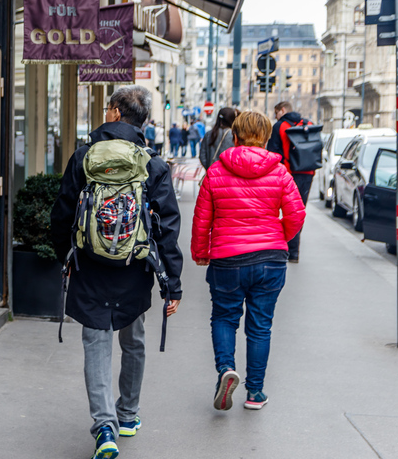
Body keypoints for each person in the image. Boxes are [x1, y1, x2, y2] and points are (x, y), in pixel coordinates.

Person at [50, 85, 183, 459]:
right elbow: (167, 230)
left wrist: (69, 257)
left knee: (96, 344)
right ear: (144, 121)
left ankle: (104, 427)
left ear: (112, 112)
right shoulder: (153, 165)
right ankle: (127, 415)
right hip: (134, 269)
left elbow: (60, 216)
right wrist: (172, 285)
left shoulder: (84, 157)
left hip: (90, 268)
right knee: (133, 339)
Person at [191, 111, 305, 412]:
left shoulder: (216, 171)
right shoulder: (280, 172)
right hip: (270, 259)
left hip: (227, 259)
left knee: (225, 317)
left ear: (236, 136)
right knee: (260, 327)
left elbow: (202, 219)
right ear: (267, 137)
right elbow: (296, 214)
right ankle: (255, 393)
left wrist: (201, 251)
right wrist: (279, 236)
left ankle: (226, 369)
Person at [266, 101, 313, 263]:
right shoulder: (308, 123)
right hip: (307, 173)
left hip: (286, 174)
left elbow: (272, 153)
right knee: (297, 212)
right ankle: (294, 252)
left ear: (283, 110)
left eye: (276, 112)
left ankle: (279, 247)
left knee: (274, 211)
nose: (275, 116)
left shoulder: (280, 126)